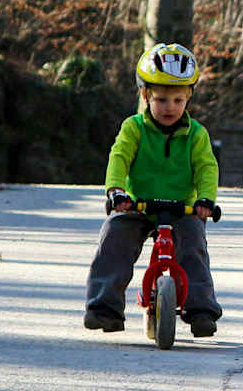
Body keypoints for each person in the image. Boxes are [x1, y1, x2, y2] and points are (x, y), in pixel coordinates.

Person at [84, 42, 222, 337]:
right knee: (114, 237)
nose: (169, 107)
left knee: (193, 245)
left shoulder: (196, 134)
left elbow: (206, 167)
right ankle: (104, 308)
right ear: (145, 95)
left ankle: (201, 310)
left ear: (189, 97)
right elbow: (119, 157)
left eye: (178, 99)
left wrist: (205, 200)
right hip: (138, 205)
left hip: (182, 208)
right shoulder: (134, 128)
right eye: (161, 99)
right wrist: (116, 191)